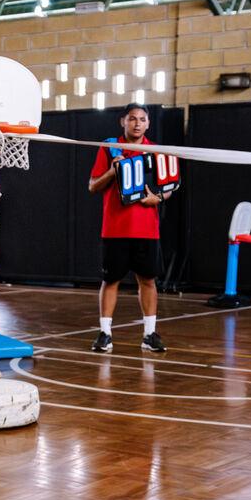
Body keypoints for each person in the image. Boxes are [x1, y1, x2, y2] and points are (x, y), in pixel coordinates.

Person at [87, 103, 174, 354]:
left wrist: (158, 198)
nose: (137, 123)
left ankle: (149, 334)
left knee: (148, 280)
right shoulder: (109, 147)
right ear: (123, 122)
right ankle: (105, 334)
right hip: (115, 228)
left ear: (148, 123)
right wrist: (112, 173)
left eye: (142, 119)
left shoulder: (157, 151)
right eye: (132, 118)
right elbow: (93, 185)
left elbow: (168, 186)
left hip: (146, 229)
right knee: (110, 280)